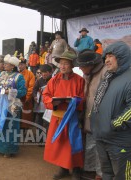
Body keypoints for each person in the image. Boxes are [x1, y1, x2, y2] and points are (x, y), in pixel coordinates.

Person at [90, 41, 131, 179]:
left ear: (121, 57)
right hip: (102, 137)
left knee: (123, 176)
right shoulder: (108, 78)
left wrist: (114, 124)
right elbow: (99, 103)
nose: (106, 60)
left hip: (120, 141)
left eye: (110, 56)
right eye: (105, 57)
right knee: (107, 174)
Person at [42, 50, 85, 180]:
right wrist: (53, 102)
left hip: (72, 117)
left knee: (73, 143)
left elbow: (83, 98)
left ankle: (77, 169)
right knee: (61, 145)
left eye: (66, 63)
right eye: (61, 63)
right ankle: (64, 169)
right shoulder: (54, 80)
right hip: (57, 118)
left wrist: (74, 101)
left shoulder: (80, 80)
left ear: (72, 65)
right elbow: (46, 95)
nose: (63, 66)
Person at [75, 49, 106, 180]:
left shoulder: (105, 73)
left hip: (101, 117)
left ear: (91, 65)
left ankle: (100, 173)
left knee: (100, 147)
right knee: (90, 144)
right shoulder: (87, 74)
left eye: (82, 66)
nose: (81, 69)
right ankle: (90, 170)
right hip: (89, 115)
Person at [0, 54, 26, 157]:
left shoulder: (19, 77)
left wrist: (9, 91)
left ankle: (9, 149)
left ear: (12, 66)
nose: (4, 65)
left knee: (11, 126)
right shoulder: (0, 74)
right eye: (4, 63)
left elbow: (23, 91)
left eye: (7, 64)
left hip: (12, 105)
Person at [32, 64, 52, 145]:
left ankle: (47, 141)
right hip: (40, 105)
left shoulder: (54, 80)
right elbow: (34, 89)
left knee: (48, 123)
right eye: (42, 73)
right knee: (38, 122)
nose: (43, 74)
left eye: (45, 73)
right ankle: (40, 140)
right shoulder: (39, 81)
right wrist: (34, 96)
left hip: (50, 106)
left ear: (50, 72)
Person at [18, 59, 35, 131]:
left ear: (25, 65)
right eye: (19, 64)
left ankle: (25, 131)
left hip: (26, 99)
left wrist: (27, 98)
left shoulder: (30, 74)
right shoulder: (16, 74)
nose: (20, 66)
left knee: (26, 117)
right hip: (17, 98)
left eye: (22, 64)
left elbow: (31, 87)